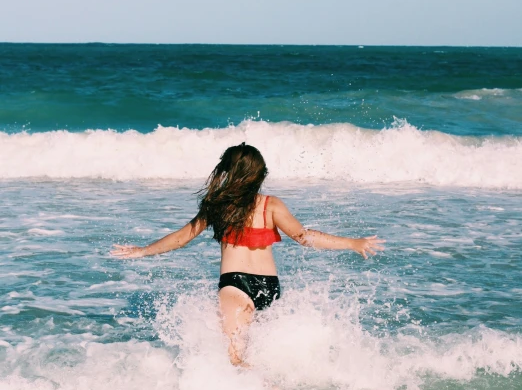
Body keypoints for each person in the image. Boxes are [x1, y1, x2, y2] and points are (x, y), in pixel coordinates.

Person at [111, 143, 385, 366]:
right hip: (270, 287)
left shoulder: (218, 205)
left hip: (235, 286)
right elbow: (305, 237)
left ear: (229, 172)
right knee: (259, 355)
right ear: (259, 175)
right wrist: (352, 243)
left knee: (236, 359)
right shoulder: (271, 205)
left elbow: (183, 237)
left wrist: (142, 251)